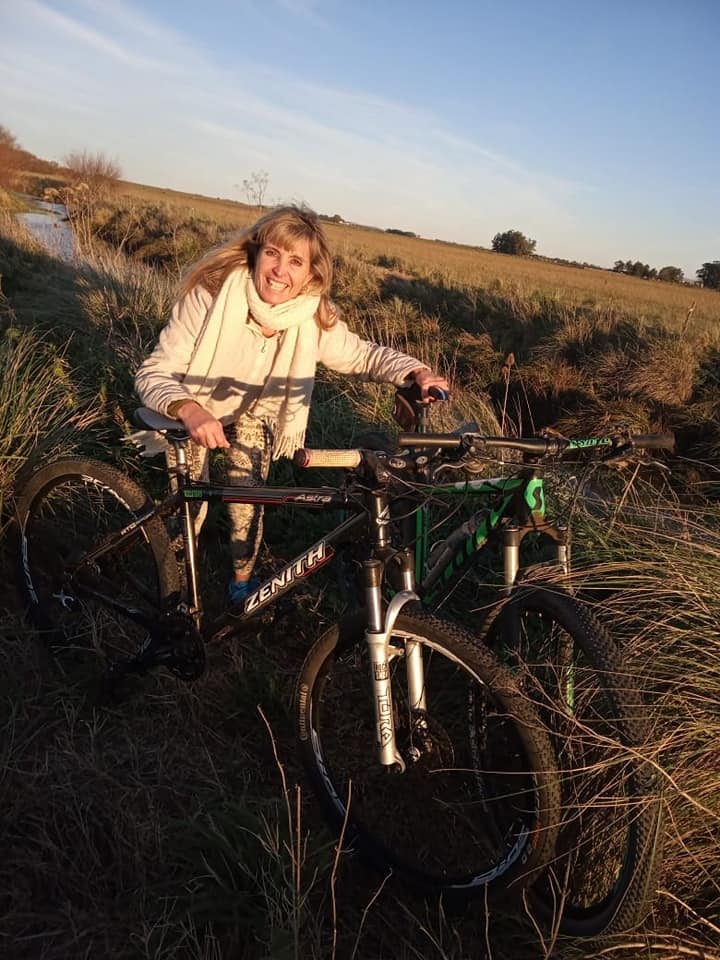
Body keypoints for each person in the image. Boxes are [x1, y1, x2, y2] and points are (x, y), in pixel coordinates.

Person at [135, 204, 449, 604]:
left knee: (247, 503)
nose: (280, 271)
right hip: (191, 409)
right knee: (188, 511)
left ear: (311, 274)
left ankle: (241, 588)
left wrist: (416, 372)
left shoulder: (311, 314)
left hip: (255, 411)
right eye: (272, 254)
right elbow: (153, 373)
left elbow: (362, 355)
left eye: (295, 261)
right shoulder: (211, 296)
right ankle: (172, 591)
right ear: (256, 253)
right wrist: (188, 409)